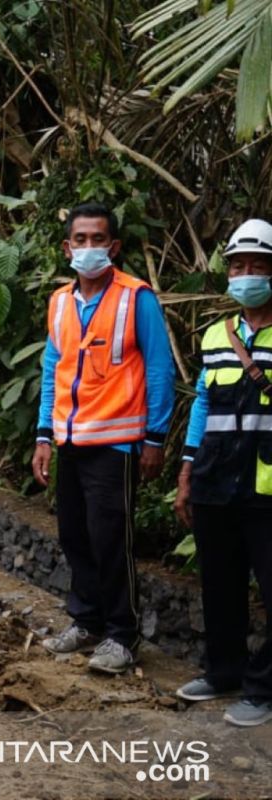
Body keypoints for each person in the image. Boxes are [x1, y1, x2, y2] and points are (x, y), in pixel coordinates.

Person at [32, 202, 175, 674]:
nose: (89, 247)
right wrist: (43, 436)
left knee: (111, 539)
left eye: (98, 239)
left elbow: (158, 368)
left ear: (113, 246)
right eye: (80, 239)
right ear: (66, 246)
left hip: (116, 444)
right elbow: (53, 370)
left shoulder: (137, 298)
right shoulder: (59, 302)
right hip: (71, 442)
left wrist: (155, 437)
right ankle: (86, 620)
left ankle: (122, 633)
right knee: (75, 535)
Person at [172, 219, 272, 728]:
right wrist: (187, 469)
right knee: (220, 585)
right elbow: (203, 404)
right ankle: (224, 672)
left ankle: (262, 688)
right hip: (216, 481)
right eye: (238, 267)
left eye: (257, 266)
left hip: (267, 489)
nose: (246, 275)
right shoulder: (218, 335)